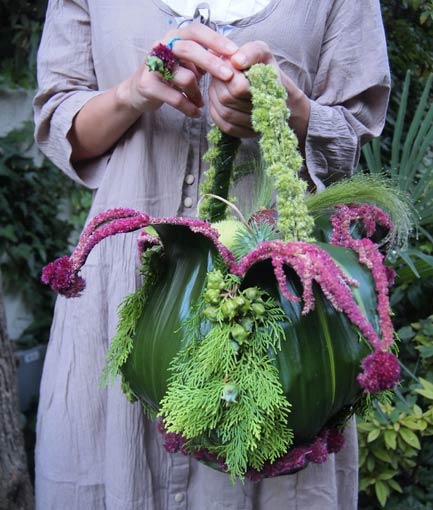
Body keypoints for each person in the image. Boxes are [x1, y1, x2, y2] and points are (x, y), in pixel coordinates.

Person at [33, 1, 390, 509]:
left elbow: (351, 136)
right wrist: (133, 92)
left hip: (280, 312)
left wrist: (289, 109)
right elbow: (60, 122)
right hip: (121, 292)